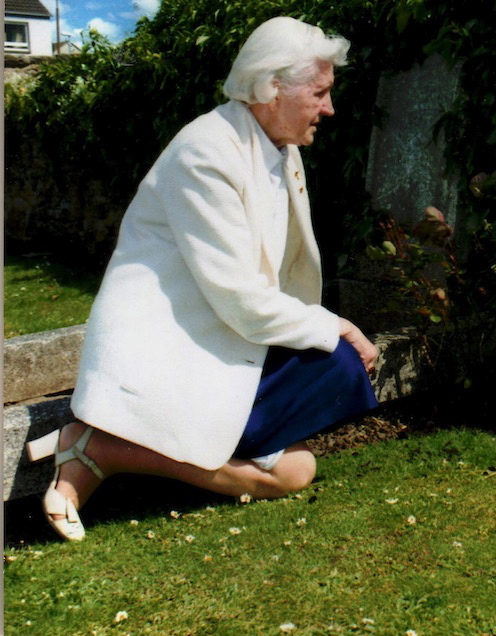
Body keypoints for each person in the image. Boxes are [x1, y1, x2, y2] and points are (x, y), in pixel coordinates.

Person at [25, 17, 379, 542]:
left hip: (225, 336)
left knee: (295, 471)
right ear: (270, 89)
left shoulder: (280, 146)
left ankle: (102, 451)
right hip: (171, 351)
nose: (329, 108)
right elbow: (241, 298)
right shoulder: (205, 152)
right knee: (340, 359)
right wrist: (334, 326)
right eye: (320, 93)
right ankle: (100, 448)